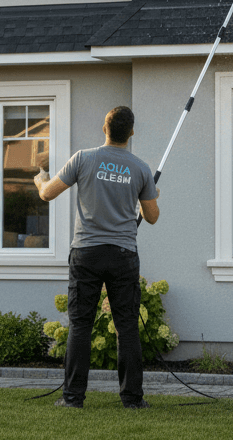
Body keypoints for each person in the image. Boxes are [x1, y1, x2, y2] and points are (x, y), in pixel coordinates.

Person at [33, 105, 160, 409]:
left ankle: (73, 397)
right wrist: (145, 195)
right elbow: (152, 217)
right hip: (122, 255)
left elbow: (48, 193)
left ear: (104, 128)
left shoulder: (83, 158)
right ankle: (132, 399)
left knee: (80, 324)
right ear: (131, 133)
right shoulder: (141, 168)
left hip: (86, 253)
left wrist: (40, 179)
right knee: (126, 325)